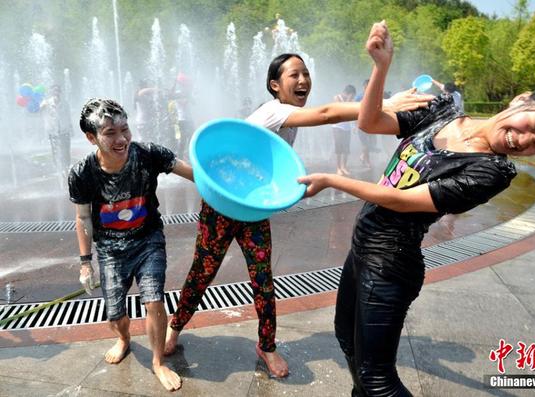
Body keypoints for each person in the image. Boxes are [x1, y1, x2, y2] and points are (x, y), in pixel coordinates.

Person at [298, 21, 535, 397]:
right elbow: (370, 122)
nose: (524, 140)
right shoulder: (443, 110)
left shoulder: (493, 170)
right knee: (347, 339)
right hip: (363, 246)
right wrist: (381, 66)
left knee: (378, 379)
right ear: (522, 100)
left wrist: (331, 179)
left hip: (392, 264)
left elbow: (402, 200)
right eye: (532, 125)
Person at [165, 53, 433, 378]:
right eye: (295, 75)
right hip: (222, 204)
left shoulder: (288, 117)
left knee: (262, 277)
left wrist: (287, 190)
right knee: (202, 272)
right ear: (275, 85)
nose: (303, 80)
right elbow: (325, 114)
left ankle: (266, 345)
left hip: (252, 209)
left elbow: (273, 166)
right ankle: (175, 327)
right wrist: (387, 103)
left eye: (306, 73)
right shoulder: (274, 111)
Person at [69, 98, 194, 392]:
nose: (121, 138)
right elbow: (83, 218)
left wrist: (226, 186)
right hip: (110, 250)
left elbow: (192, 174)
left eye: (125, 129)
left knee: (153, 299)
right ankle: (124, 338)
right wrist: (86, 263)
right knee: (115, 314)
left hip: (148, 238)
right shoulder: (82, 172)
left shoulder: (149, 154)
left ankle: (157, 362)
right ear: (92, 137)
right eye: (110, 132)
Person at [41, 84, 73, 182]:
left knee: (66, 151)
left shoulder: (65, 103)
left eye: (58, 91)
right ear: (51, 92)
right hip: (53, 132)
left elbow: (68, 116)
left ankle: (66, 170)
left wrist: (71, 128)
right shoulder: (46, 103)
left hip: (64, 130)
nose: (56, 93)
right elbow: (39, 111)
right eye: (54, 91)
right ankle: (59, 170)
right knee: (55, 152)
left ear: (60, 92)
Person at [332, 84, 356, 176]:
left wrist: (353, 126)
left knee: (346, 148)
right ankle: (338, 168)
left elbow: (352, 113)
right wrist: (349, 101)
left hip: (347, 127)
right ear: (348, 93)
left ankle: (344, 167)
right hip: (337, 127)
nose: (352, 97)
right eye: (352, 95)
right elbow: (341, 109)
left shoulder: (350, 101)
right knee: (339, 147)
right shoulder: (337, 97)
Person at [355, 79, 377, 168]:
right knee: (365, 143)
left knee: (371, 143)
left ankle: (364, 157)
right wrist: (354, 124)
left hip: (371, 122)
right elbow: (355, 111)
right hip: (361, 123)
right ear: (364, 86)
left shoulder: (373, 95)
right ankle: (365, 159)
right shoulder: (359, 97)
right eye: (367, 85)